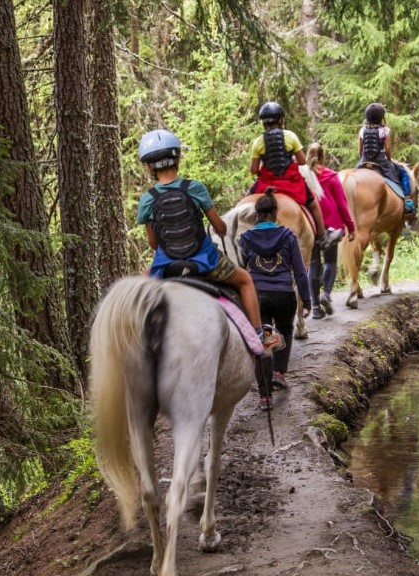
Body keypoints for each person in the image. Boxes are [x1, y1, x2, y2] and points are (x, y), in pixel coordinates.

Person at [135, 128, 283, 355]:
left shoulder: (147, 199)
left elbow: (153, 244)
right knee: (245, 280)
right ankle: (260, 336)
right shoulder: (194, 188)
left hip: (166, 266)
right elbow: (221, 229)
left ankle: (138, 344)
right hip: (205, 260)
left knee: (137, 293)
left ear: (148, 166)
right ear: (177, 159)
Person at [238, 188, 312, 410]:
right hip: (284, 294)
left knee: (263, 339)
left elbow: (242, 270)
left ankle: (265, 396)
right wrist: (307, 299)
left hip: (258, 296)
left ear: (257, 214)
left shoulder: (246, 238)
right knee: (286, 330)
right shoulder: (288, 236)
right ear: (276, 212)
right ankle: (279, 373)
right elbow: (299, 271)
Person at [250, 101, 343, 251]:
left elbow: (254, 170)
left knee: (246, 200)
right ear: (280, 120)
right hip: (290, 182)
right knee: (312, 203)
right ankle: (322, 236)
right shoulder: (290, 136)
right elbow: (301, 162)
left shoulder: (258, 142)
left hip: (267, 183)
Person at [305, 142, 355, 320]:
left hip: (311, 226)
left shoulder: (303, 176)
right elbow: (342, 204)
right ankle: (326, 293)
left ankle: (316, 306)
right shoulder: (332, 176)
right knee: (330, 262)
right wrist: (350, 226)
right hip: (332, 226)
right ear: (323, 157)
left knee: (314, 264)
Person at [356, 102, 416, 215]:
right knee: (403, 173)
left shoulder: (362, 130)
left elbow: (360, 151)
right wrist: (389, 160)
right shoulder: (385, 130)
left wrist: (363, 160)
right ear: (381, 117)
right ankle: (407, 201)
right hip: (381, 162)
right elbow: (388, 150)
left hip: (364, 161)